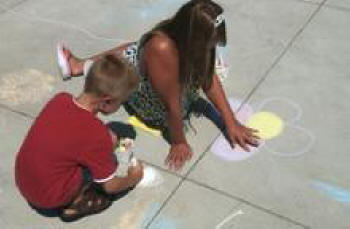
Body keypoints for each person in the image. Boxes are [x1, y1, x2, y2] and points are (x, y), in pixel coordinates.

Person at [56, 0, 260, 171]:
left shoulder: (182, 35)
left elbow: (207, 76)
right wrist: (179, 141)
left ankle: (78, 66)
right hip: (153, 105)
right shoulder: (161, 48)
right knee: (129, 55)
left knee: (132, 49)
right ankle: (85, 67)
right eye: (209, 44)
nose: (211, 48)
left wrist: (230, 122)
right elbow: (172, 106)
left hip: (170, 87)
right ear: (194, 38)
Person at [15, 55, 143, 222]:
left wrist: (105, 140)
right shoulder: (96, 135)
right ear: (107, 102)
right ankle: (76, 203)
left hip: (24, 180)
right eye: (121, 102)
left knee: (87, 147)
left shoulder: (60, 100)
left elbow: (72, 134)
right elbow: (110, 186)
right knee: (97, 171)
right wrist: (134, 177)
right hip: (49, 198)